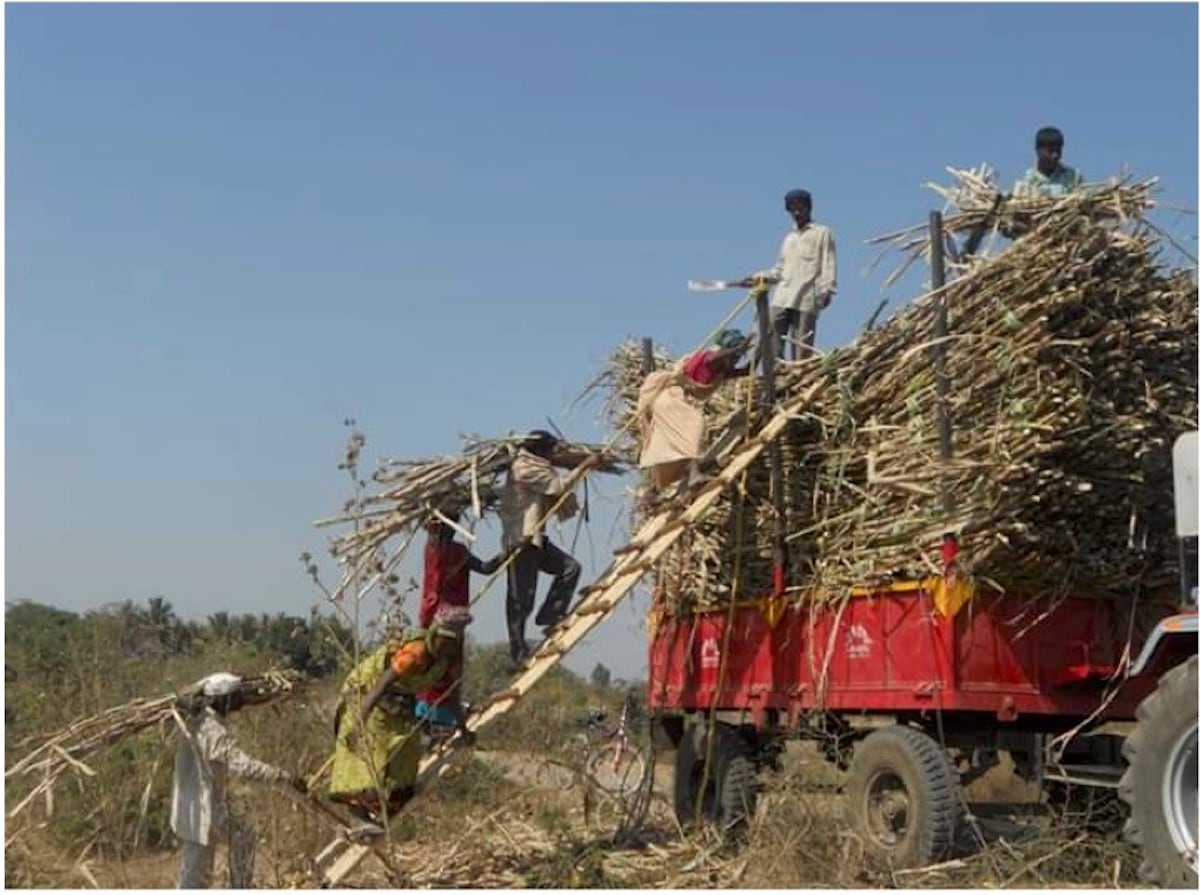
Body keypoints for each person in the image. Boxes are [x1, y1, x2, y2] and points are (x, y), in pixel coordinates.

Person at [327, 606, 471, 829]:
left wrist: (463, 729)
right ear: (434, 634)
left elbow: (452, 695)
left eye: (454, 642)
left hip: (399, 700)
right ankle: (357, 813)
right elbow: (379, 686)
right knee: (371, 754)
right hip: (368, 693)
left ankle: (386, 808)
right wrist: (358, 723)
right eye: (444, 640)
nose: (448, 646)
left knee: (406, 749)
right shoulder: (414, 654)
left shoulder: (449, 661)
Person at [171, 672, 304, 889]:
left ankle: (238, 886)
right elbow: (242, 765)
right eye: (235, 698)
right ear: (223, 699)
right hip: (200, 810)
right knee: (195, 877)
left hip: (200, 807)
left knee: (241, 837)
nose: (240, 703)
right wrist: (283, 776)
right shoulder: (211, 729)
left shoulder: (198, 719)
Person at [414, 511, 506, 730]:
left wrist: (509, 552)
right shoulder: (435, 550)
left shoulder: (454, 551)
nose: (451, 530)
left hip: (447, 621)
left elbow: (485, 568)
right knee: (437, 667)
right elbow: (486, 568)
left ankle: (441, 719)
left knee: (445, 668)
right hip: (440, 622)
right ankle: (432, 718)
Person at [499, 430, 583, 667]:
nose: (551, 455)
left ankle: (550, 613)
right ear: (540, 450)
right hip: (521, 540)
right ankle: (518, 651)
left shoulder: (535, 466)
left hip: (535, 539)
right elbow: (556, 486)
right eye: (549, 450)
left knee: (571, 569)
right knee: (520, 600)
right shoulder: (525, 468)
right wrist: (583, 466)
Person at [637, 328, 753, 497]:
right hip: (670, 398)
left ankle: (654, 489)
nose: (735, 361)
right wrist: (740, 347)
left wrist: (762, 351)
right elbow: (716, 357)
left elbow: (744, 371)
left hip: (673, 401)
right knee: (694, 424)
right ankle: (693, 473)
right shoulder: (707, 358)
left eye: (737, 358)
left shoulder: (721, 370)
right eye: (734, 357)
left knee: (669, 444)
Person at [740, 189, 837, 360]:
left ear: (809, 209)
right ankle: (775, 376)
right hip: (783, 296)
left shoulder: (821, 233)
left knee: (801, 346)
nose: (797, 212)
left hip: (806, 297)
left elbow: (828, 262)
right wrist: (758, 276)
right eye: (793, 209)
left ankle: (797, 376)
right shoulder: (789, 238)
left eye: (801, 208)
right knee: (771, 337)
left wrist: (828, 289)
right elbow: (779, 269)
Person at [1013, 126, 1084, 199]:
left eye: (1058, 151)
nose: (1055, 155)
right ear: (1038, 151)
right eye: (1051, 151)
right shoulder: (1027, 181)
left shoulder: (1073, 177)